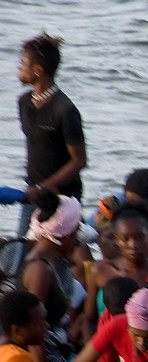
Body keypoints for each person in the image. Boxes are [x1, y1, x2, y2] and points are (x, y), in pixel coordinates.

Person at [0, 193, 89, 362]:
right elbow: (35, 332)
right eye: (75, 232)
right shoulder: (40, 270)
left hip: (45, 348)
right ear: (65, 234)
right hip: (42, 355)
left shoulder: (34, 254)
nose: (77, 239)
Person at [16, 33, 87, 237]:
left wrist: (46, 186)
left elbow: (79, 160)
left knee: (58, 257)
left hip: (62, 198)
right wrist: (36, 189)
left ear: (38, 71)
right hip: (32, 193)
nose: (19, 68)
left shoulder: (64, 110)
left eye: (23, 64)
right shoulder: (23, 103)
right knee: (20, 253)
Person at [79, 206, 148, 336]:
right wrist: (96, 352)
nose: (133, 245)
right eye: (125, 239)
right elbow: (89, 320)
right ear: (117, 240)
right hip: (106, 343)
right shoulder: (101, 270)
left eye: (140, 237)